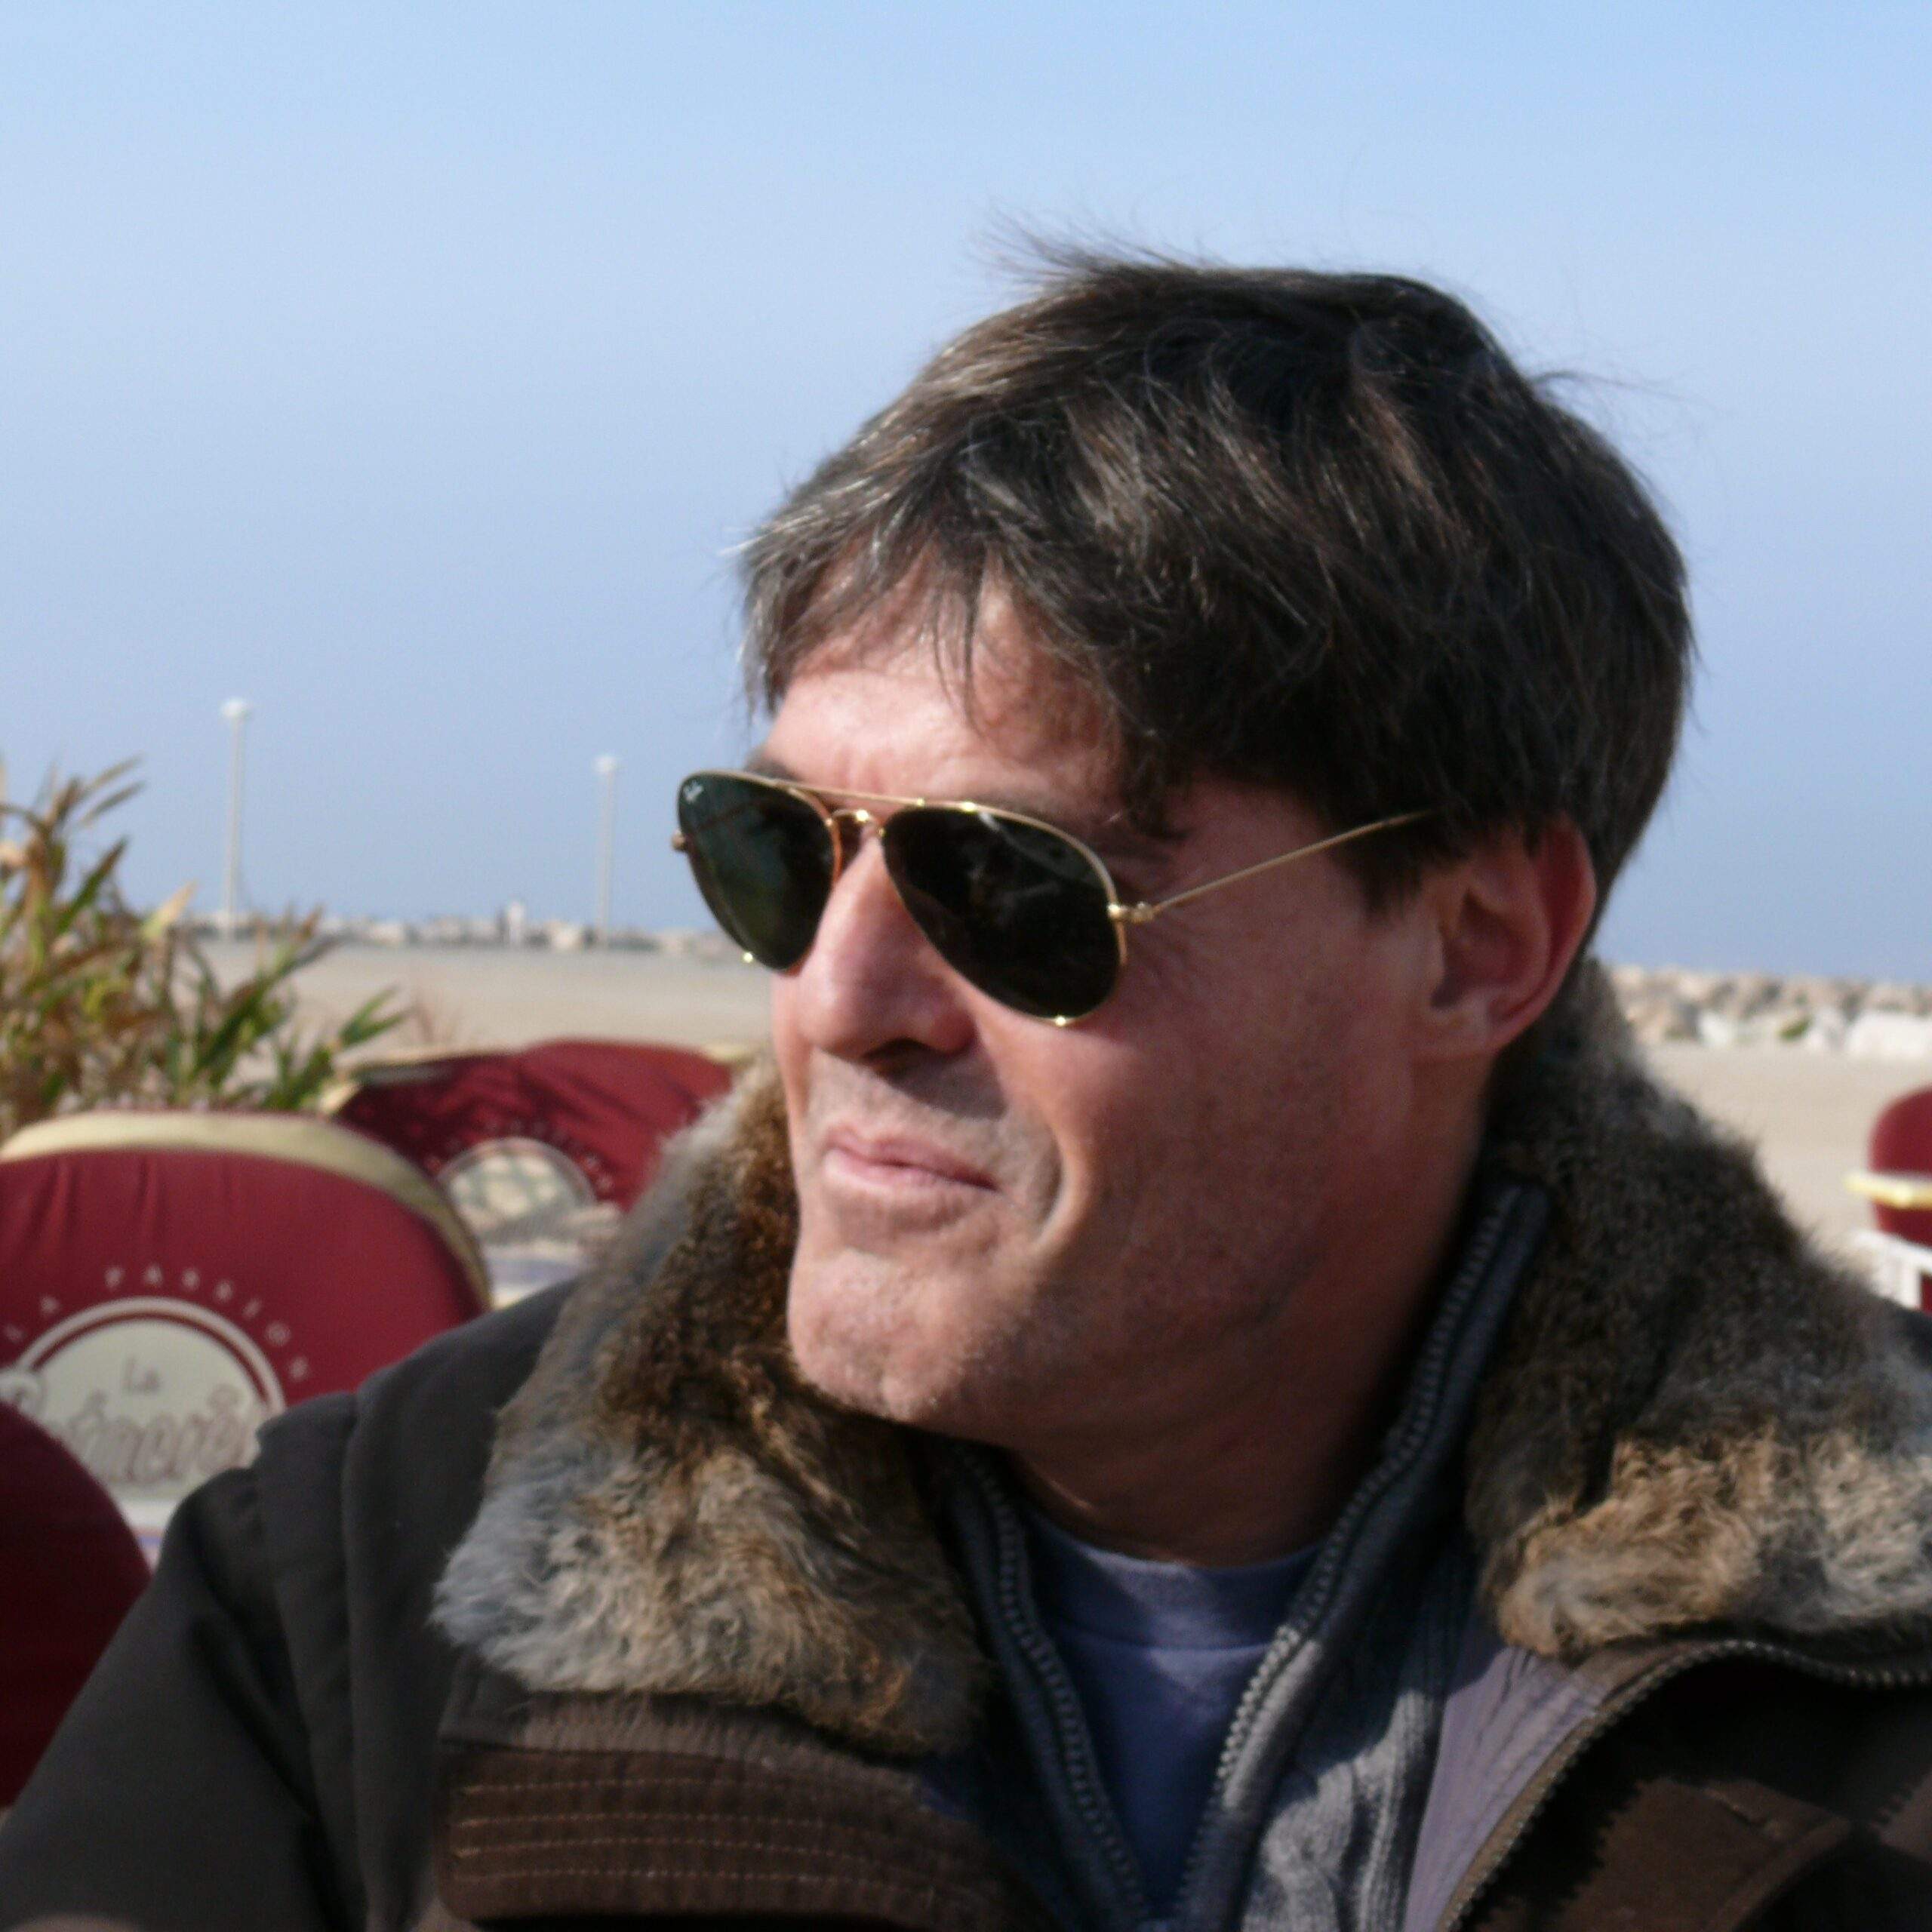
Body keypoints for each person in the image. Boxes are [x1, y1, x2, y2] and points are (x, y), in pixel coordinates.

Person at [5, 255, 1932, 1932]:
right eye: (776, 850)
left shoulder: (1876, 1661)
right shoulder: (362, 1589)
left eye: (1007, 884)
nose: (836, 996)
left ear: (1474, 944)